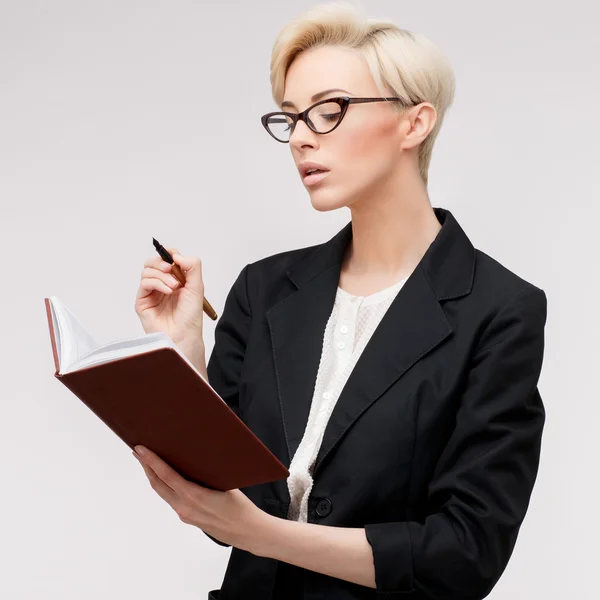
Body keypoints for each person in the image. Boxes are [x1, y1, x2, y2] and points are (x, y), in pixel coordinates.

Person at [134, 3, 547, 599]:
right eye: (290, 118)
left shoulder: (499, 310)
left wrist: (267, 535)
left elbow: (464, 554)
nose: (301, 137)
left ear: (414, 123)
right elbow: (222, 507)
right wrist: (183, 354)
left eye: (330, 111)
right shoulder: (264, 289)